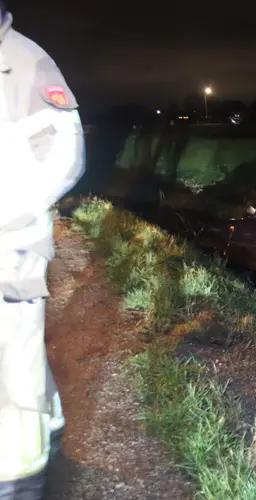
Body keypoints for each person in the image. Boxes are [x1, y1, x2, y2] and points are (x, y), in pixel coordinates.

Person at [0, 2, 85, 498]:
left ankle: (18, 483)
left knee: (12, 368)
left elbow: (66, 155)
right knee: (21, 362)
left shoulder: (26, 62)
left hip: (12, 251)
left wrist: (8, 216)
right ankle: (48, 431)